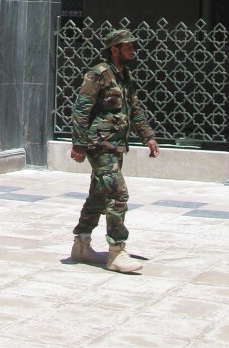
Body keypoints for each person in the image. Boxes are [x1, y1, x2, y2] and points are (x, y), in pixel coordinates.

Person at [70, 27, 160, 273]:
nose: (133, 50)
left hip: (116, 144)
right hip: (99, 145)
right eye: (129, 46)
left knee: (99, 195)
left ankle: (81, 244)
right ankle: (116, 251)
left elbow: (135, 109)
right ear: (115, 49)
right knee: (117, 195)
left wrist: (148, 137)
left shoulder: (125, 76)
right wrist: (78, 144)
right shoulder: (98, 74)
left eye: (133, 46)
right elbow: (81, 110)